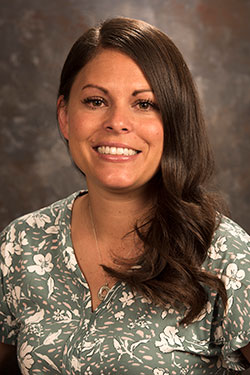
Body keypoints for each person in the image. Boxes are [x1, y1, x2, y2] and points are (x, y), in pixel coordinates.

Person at [0, 17, 249, 375]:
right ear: (65, 116)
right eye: (96, 100)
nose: (117, 122)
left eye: (144, 104)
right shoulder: (21, 244)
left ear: (174, 121)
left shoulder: (225, 255)